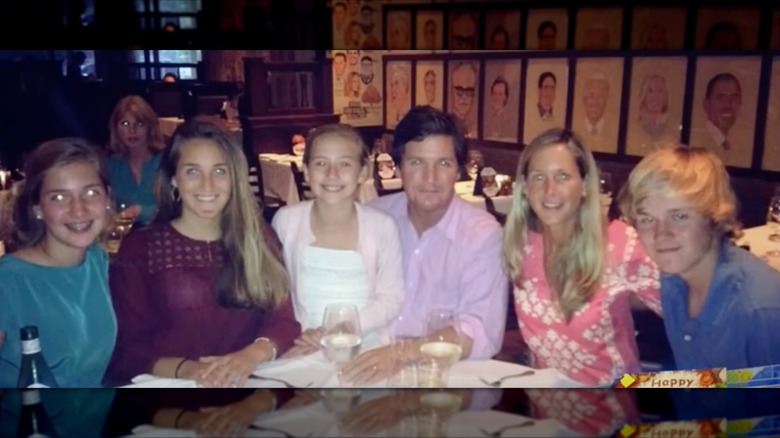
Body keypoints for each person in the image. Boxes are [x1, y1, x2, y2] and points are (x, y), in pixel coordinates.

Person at [104, 117, 300, 388]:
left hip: (248, 383)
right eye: (192, 171)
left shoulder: (259, 237)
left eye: (220, 171)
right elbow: (127, 348)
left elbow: (284, 322)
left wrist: (248, 357)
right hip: (171, 389)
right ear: (173, 179)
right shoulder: (140, 249)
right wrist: (191, 371)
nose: (207, 185)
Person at [340, 105, 508, 385]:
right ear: (399, 167)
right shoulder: (374, 217)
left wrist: (403, 353)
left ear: (459, 170)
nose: (430, 178)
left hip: (445, 377)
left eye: (443, 163)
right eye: (417, 163)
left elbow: (480, 329)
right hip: (368, 365)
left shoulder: (482, 235)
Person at [502, 128, 661, 386]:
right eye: (538, 177)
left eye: (562, 176)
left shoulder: (620, 243)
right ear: (524, 188)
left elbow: (691, 318)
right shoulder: (521, 245)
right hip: (543, 416)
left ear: (585, 186)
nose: (549, 190)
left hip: (611, 416)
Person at [617, 146, 780, 370]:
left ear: (713, 216)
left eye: (679, 216)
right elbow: (711, 382)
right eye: (647, 219)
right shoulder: (673, 279)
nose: (660, 234)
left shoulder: (761, 313)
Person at [271, 124, 404, 355]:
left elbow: (391, 298)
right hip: (303, 343)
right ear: (306, 170)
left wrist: (342, 328)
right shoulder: (286, 221)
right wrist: (294, 334)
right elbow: (277, 292)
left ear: (363, 171)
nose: (332, 174)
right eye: (321, 163)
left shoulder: (381, 226)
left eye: (344, 164)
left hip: (364, 343)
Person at [0, 138, 115, 387]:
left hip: (96, 418)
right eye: (59, 197)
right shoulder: (8, 282)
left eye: (91, 192)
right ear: (38, 208)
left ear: (107, 199)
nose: (79, 209)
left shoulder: (97, 261)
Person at [105, 95, 164, 225]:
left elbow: (176, 207)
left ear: (150, 127)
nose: (132, 131)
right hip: (123, 235)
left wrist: (138, 211)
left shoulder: (165, 161)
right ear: (116, 128)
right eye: (125, 124)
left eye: (140, 124)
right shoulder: (111, 165)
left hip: (161, 233)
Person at [637, 73, 670, 140]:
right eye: (650, 91)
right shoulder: (634, 129)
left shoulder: (671, 129)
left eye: (660, 91)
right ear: (644, 96)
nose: (655, 97)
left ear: (665, 96)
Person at [483, 75, 515, 141]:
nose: (496, 97)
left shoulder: (511, 120)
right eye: (494, 93)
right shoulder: (485, 117)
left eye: (500, 94)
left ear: (505, 97)